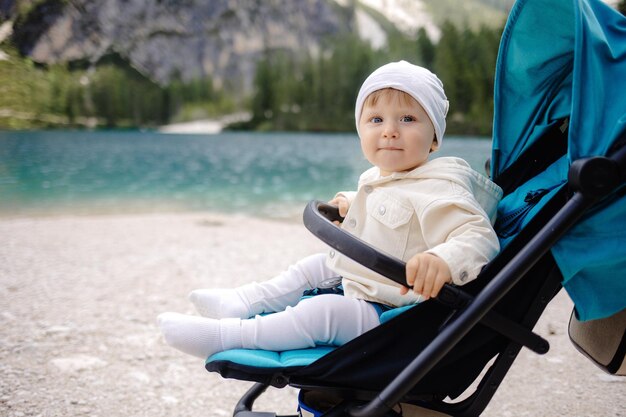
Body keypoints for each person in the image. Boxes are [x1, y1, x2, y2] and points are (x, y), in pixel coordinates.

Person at [158, 61, 503, 359]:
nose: (390, 131)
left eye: (408, 118)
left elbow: (477, 236)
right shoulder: (387, 177)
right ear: (360, 129)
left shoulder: (441, 187)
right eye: (376, 119)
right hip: (366, 282)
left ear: (434, 139)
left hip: (391, 313)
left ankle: (227, 336)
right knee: (313, 267)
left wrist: (444, 260)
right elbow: (391, 208)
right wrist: (351, 203)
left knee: (320, 314)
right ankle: (243, 301)